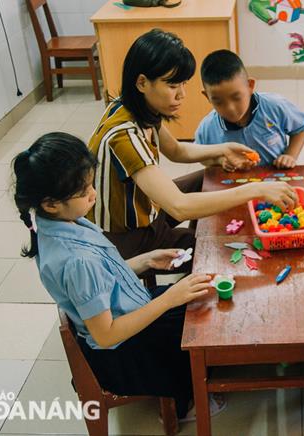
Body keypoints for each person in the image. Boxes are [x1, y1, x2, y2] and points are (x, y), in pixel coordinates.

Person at [13, 132, 222, 421]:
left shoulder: (61, 223)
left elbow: (104, 277)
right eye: (84, 190)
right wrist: (168, 299)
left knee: (201, 303)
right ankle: (186, 402)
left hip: (130, 312)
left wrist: (146, 260)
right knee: (205, 331)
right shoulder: (76, 260)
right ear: (51, 203)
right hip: (125, 351)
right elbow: (106, 333)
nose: (93, 194)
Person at [87, 29, 297, 258]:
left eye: (183, 84)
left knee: (209, 178)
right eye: (172, 85)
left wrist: (223, 150)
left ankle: (194, 232)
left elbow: (177, 150)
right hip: (129, 236)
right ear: (142, 83)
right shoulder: (124, 136)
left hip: (148, 208)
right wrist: (256, 189)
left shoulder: (134, 106)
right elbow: (179, 205)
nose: (182, 95)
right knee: (229, 246)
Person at [196, 49, 304, 169]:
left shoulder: (275, 106)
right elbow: (200, 156)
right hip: (236, 185)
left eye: (236, 97)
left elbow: (301, 128)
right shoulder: (208, 127)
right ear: (207, 97)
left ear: (250, 86)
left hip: (275, 179)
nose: (230, 108)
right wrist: (220, 160)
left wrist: (290, 155)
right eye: (219, 102)